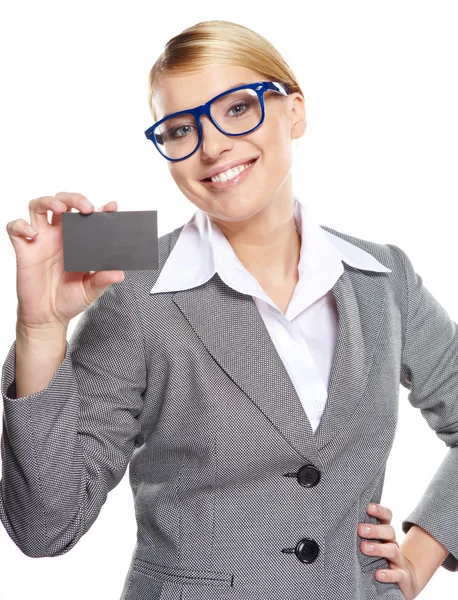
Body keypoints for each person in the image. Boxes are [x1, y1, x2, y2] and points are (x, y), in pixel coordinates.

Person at [1, 19, 457, 600]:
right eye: (180, 128)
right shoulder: (132, 288)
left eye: (237, 108)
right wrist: (41, 329)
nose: (212, 145)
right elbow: (44, 528)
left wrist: (420, 555)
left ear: (294, 111)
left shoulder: (384, 277)